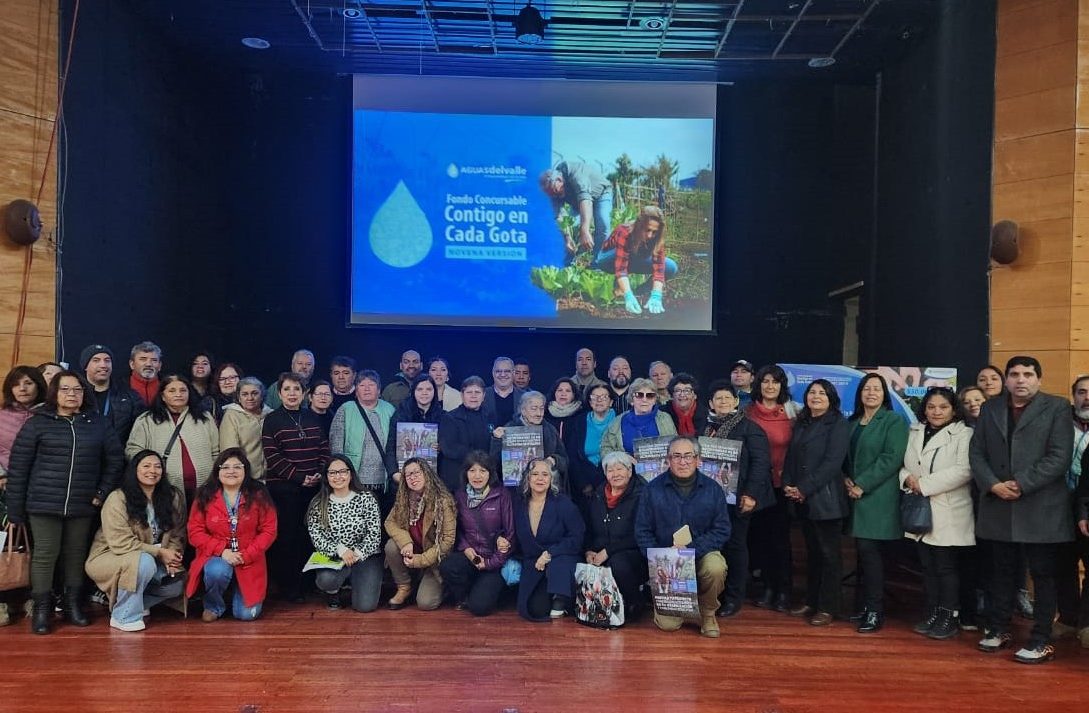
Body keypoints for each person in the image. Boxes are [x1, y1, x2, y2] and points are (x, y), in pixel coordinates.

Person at [971, 356, 1073, 664]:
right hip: (998, 503)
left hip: (1040, 505)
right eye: (1014, 374)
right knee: (1000, 573)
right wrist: (992, 484)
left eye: (1028, 374)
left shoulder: (1056, 407)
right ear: (1007, 379)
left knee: (1042, 575)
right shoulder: (990, 408)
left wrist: (1019, 484)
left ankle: (1041, 639)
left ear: (1039, 379)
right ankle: (999, 628)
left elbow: (1059, 457)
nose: (1020, 380)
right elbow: (976, 452)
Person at [6, 369, 124, 634]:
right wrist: (15, 511)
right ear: (54, 393)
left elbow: (115, 461)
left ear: (85, 394)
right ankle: (42, 610)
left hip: (83, 504)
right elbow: (18, 467)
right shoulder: (38, 422)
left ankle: (73, 605)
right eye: (65, 389)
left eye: (78, 390)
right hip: (43, 504)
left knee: (75, 555)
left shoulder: (99, 423)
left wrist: (102, 492)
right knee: (45, 556)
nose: (72, 394)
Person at [635, 436, 731, 638]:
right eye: (676, 456)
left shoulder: (713, 490)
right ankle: (676, 606)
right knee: (668, 626)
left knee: (716, 566)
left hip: (702, 553)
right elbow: (642, 531)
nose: (683, 461)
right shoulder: (651, 490)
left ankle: (707, 613)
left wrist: (691, 551)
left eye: (688, 456)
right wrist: (658, 559)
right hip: (667, 562)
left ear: (698, 459)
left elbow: (722, 529)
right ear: (668, 460)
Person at [899, 387, 974, 640]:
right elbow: (904, 463)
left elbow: (964, 470)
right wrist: (907, 478)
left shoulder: (964, 433)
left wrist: (924, 484)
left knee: (945, 567)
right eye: (931, 407)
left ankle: (949, 616)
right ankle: (932, 612)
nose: (936, 412)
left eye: (943, 407)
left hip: (949, 509)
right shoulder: (915, 431)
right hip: (920, 507)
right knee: (928, 566)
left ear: (954, 409)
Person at [84, 450, 187, 632]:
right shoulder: (118, 498)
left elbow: (178, 533)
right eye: (146, 466)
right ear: (135, 470)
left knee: (177, 584)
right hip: (110, 556)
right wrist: (159, 553)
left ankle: (132, 603)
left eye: (157, 466)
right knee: (143, 562)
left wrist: (172, 558)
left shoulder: (172, 496)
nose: (152, 471)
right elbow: (120, 543)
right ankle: (123, 616)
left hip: (153, 558)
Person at [701, 380, 773, 618]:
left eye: (727, 398)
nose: (723, 402)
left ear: (735, 401)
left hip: (739, 498)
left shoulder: (749, 428)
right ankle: (716, 595)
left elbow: (762, 464)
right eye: (718, 398)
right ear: (711, 403)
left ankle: (734, 598)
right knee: (716, 546)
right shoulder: (706, 427)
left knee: (735, 546)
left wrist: (751, 494)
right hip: (712, 500)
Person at [844, 373, 909, 633]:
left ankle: (875, 611)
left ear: (885, 394)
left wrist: (862, 484)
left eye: (877, 389)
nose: (871, 393)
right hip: (853, 495)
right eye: (867, 388)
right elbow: (844, 457)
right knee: (862, 555)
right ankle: (864, 606)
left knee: (872, 556)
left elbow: (891, 458)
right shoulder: (852, 422)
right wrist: (846, 479)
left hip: (878, 498)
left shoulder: (893, 420)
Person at [783, 379, 850, 627]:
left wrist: (804, 488)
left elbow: (833, 463)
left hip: (826, 500)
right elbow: (792, 457)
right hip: (803, 500)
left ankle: (828, 607)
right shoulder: (802, 421)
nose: (816, 396)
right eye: (812, 392)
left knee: (830, 556)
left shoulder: (838, 424)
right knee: (813, 555)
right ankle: (812, 600)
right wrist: (790, 485)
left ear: (831, 398)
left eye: (822, 393)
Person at [186, 449, 277, 622]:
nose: (231, 471)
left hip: (249, 558)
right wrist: (222, 551)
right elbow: (195, 532)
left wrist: (247, 554)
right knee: (216, 571)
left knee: (245, 616)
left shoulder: (259, 494)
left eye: (237, 467)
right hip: (217, 556)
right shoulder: (205, 495)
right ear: (217, 471)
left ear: (246, 470)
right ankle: (214, 605)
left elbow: (269, 530)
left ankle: (239, 594)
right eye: (225, 467)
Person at [262, 372, 329, 602]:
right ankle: (289, 588)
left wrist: (319, 473)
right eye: (287, 389)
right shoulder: (272, 420)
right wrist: (299, 477)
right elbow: (272, 456)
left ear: (304, 394)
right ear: (279, 393)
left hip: (313, 488)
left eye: (297, 389)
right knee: (287, 538)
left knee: (310, 536)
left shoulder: (312, 417)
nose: (292, 394)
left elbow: (323, 448)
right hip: (284, 489)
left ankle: (309, 584)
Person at [746, 364, 800, 612]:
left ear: (781, 386)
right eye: (765, 381)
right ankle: (767, 588)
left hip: (782, 486)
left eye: (775, 382)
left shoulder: (792, 413)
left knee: (781, 541)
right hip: (757, 487)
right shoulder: (747, 413)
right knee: (761, 540)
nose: (770, 386)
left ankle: (784, 591)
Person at [439, 452, 516, 617]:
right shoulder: (460, 496)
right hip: (472, 556)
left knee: (479, 608)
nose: (477, 476)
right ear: (466, 473)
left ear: (490, 473)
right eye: (472, 471)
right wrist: (466, 549)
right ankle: (467, 593)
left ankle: (491, 591)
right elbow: (457, 530)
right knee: (448, 565)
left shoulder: (502, 495)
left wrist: (489, 563)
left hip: (495, 561)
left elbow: (510, 535)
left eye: (483, 471)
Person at [126, 374, 220, 505]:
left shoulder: (204, 417)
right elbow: (133, 450)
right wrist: (150, 470)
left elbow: (217, 452)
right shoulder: (147, 420)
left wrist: (213, 479)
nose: (178, 394)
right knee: (173, 524)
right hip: (163, 488)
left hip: (205, 488)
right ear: (162, 396)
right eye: (172, 390)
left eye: (183, 390)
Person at [306, 455, 383, 612]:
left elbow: (374, 534)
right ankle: (333, 591)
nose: (338, 476)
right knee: (326, 580)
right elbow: (317, 537)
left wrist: (357, 553)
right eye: (332, 473)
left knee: (365, 606)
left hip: (365, 556)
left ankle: (358, 581)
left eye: (342, 471)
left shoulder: (367, 498)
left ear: (350, 474)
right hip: (335, 556)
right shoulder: (318, 502)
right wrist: (341, 550)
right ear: (326, 477)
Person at [513, 457, 585, 621]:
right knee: (534, 610)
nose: (540, 478)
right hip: (533, 562)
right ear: (527, 478)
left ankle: (563, 599)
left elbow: (577, 537)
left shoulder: (563, 503)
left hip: (561, 558)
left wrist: (550, 554)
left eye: (545, 474)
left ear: (551, 479)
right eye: (535, 474)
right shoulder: (518, 503)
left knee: (560, 566)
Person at [383, 458, 456, 610]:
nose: (412, 477)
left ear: (427, 474)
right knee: (391, 546)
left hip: (434, 559)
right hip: (413, 551)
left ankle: (444, 587)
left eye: (417, 472)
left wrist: (420, 560)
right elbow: (389, 522)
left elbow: (447, 542)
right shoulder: (404, 497)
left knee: (426, 603)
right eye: (408, 475)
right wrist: (406, 542)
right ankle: (404, 586)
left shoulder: (442, 501)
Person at [585, 451, 647, 620]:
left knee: (617, 562)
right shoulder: (597, 495)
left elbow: (640, 534)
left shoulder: (642, 495)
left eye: (620, 469)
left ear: (629, 471)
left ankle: (635, 602)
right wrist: (589, 550)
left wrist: (608, 550)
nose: (615, 474)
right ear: (605, 474)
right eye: (610, 470)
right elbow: (589, 528)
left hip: (633, 553)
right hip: (600, 552)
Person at [593, 206, 677, 315]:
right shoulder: (625, 231)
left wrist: (656, 294)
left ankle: (639, 292)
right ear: (639, 225)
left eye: (654, 232)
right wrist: (628, 294)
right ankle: (622, 288)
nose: (650, 235)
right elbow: (621, 268)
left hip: (635, 258)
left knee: (671, 267)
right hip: (608, 259)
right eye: (647, 230)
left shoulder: (656, 237)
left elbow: (659, 268)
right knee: (631, 252)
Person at [1057, 375, 1089, 640]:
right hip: (1060, 507)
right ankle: (1067, 618)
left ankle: (1086, 623)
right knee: (1063, 566)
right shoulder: (1059, 424)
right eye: (1081, 392)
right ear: (1073, 396)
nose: (1087, 397)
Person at [491, 390, 569, 493]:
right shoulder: (509, 429)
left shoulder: (550, 430)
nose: (539, 413)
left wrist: (554, 460)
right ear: (523, 410)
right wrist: (496, 440)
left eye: (541, 409)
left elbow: (565, 460)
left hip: (546, 490)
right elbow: (494, 464)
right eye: (534, 409)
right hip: (516, 491)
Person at [329, 370, 395, 490]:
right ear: (356, 390)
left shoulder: (389, 409)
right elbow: (336, 446)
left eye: (371, 385)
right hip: (353, 479)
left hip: (383, 479)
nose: (367, 389)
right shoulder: (346, 409)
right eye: (362, 385)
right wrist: (340, 474)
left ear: (379, 390)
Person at [539, 160, 613, 258]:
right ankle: (574, 261)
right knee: (571, 226)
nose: (556, 196)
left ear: (559, 180)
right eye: (552, 194)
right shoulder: (552, 191)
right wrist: (567, 238)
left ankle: (598, 262)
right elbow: (559, 217)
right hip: (577, 203)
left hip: (601, 194)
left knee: (603, 223)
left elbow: (585, 201)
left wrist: (585, 230)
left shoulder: (576, 175)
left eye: (557, 191)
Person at [566, 383, 619, 515]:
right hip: (584, 483)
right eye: (594, 397)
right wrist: (583, 484)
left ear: (611, 401)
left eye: (604, 397)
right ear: (589, 402)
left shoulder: (621, 420)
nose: (599, 400)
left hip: (614, 479)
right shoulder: (578, 422)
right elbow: (572, 456)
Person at [438, 376, 493, 493]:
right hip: (457, 479)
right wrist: (479, 459)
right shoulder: (449, 418)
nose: (473, 396)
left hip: (483, 478)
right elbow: (449, 448)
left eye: (477, 392)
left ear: (483, 396)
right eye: (469, 392)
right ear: (462, 395)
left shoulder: (490, 416)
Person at [80, 344, 144, 443]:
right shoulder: (76, 395)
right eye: (96, 360)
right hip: (84, 455)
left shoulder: (130, 397)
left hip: (119, 455)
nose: (103, 365)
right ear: (85, 366)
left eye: (107, 360)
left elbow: (140, 433)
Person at [600, 377, 677, 457]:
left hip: (662, 468)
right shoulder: (618, 421)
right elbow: (605, 448)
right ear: (631, 400)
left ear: (654, 400)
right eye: (639, 395)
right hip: (627, 468)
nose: (644, 399)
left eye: (650, 395)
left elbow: (676, 445)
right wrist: (621, 458)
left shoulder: (665, 418)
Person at [219, 376, 272, 481]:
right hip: (245, 479)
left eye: (254, 393)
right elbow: (230, 451)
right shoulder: (231, 415)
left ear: (262, 395)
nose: (250, 398)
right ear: (239, 397)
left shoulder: (271, 415)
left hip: (271, 478)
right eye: (245, 394)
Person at [0, 366, 47, 481]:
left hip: (41, 481)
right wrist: (2, 475)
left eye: (28, 383)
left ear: (39, 386)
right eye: (16, 384)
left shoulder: (50, 415)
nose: (22, 388)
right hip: (5, 481)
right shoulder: (2, 415)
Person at [484, 356, 524, 428]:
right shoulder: (482, 395)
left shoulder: (524, 396)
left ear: (513, 373)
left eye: (507, 371)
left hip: (516, 438)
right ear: (493, 373)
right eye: (498, 371)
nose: (502, 375)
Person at [663, 373, 706, 437]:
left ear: (695, 395)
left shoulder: (706, 415)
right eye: (678, 390)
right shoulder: (662, 414)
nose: (682, 395)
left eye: (687, 390)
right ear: (672, 396)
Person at [128, 341, 163, 406]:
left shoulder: (168, 387)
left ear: (160, 366)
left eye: (154, 360)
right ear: (132, 364)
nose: (149, 364)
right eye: (143, 359)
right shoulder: (118, 388)